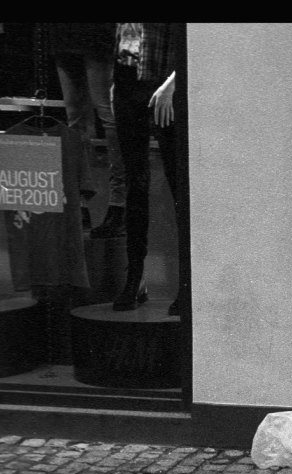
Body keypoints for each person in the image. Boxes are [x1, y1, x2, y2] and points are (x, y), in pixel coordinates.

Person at [110, 23, 186, 314]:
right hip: (127, 81)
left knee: (178, 184)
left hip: (162, 82)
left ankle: (186, 283)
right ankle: (135, 277)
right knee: (136, 185)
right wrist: (115, 81)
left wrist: (174, 81)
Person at [46, 23, 126, 238]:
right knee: (77, 121)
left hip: (95, 34)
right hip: (64, 36)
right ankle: (80, 202)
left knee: (107, 117)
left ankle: (119, 204)